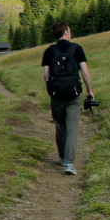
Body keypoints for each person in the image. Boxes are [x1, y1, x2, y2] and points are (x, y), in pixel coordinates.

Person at [42, 22, 94, 176]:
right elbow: (85, 73)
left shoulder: (49, 51)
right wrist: (90, 91)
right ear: (66, 32)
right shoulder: (76, 49)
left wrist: (50, 90)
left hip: (56, 95)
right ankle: (70, 164)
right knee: (72, 129)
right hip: (74, 95)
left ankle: (62, 158)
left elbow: (46, 75)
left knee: (60, 127)